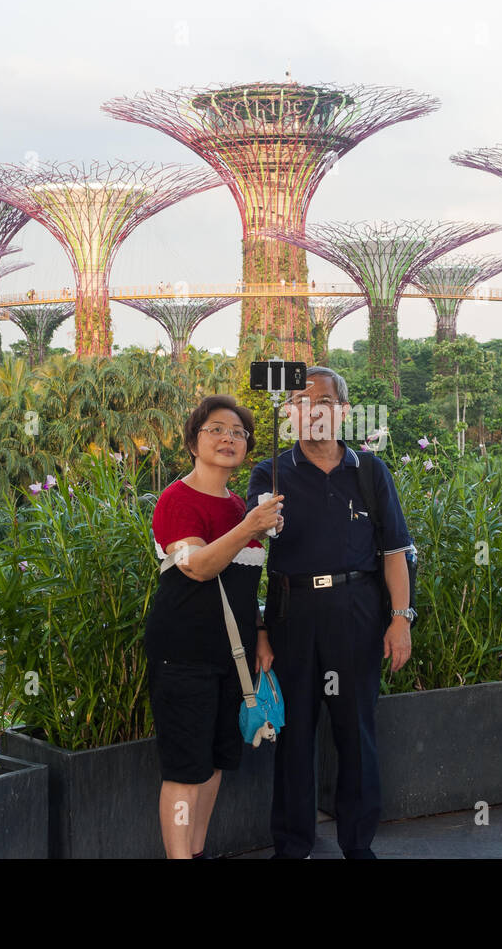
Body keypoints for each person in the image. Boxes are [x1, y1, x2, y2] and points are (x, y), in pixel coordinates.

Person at [246, 366, 413, 859]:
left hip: (357, 613)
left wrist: (400, 619)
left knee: (356, 733)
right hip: (291, 614)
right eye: (298, 401)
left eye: (321, 402)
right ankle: (293, 847)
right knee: (294, 736)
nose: (310, 410)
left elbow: (394, 551)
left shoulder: (368, 471)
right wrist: (259, 630)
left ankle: (358, 847)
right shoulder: (270, 473)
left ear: (343, 411)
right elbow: (248, 561)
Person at [144, 395, 285, 858]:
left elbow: (244, 585)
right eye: (216, 430)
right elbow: (198, 566)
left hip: (236, 654)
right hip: (183, 653)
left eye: (238, 433)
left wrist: (261, 631)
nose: (228, 438)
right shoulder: (176, 499)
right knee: (185, 770)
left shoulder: (240, 508)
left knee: (217, 763)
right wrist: (248, 527)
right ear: (193, 441)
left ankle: (198, 851)